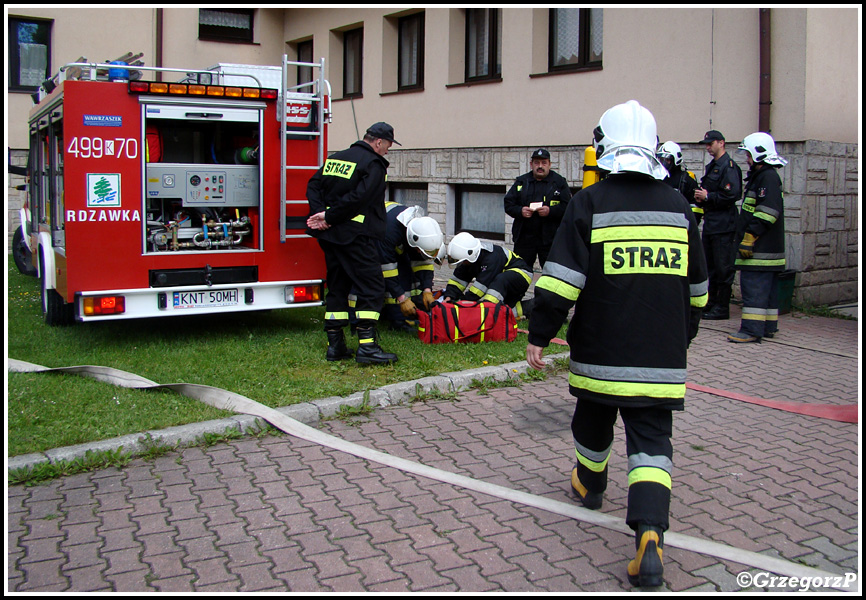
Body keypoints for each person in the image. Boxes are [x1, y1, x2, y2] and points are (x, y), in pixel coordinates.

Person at [525, 100, 708, 588]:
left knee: (593, 416)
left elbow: (562, 281)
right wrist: (682, 336)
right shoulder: (679, 206)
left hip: (601, 352)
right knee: (651, 442)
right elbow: (700, 290)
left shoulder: (589, 201)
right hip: (662, 356)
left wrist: (539, 333)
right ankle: (649, 535)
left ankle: (590, 483)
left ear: (603, 147)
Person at [306, 122, 400, 365]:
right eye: (388, 145)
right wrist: (329, 216)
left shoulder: (336, 158)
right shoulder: (374, 164)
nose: (388, 151)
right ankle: (368, 348)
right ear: (378, 142)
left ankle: (335, 346)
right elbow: (361, 198)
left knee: (338, 286)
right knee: (372, 287)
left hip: (331, 236)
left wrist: (322, 214)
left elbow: (313, 185)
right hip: (357, 236)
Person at [728, 132, 788, 343]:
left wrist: (750, 236)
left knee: (753, 288)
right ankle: (767, 326)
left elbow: (768, 212)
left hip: (759, 250)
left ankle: (751, 330)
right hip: (768, 250)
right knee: (768, 293)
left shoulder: (766, 178)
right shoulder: (766, 176)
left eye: (748, 154)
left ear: (758, 153)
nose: (747, 159)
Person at [693, 130, 742, 320]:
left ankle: (722, 307)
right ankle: (712, 303)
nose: (707, 147)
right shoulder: (712, 166)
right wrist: (701, 197)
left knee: (723, 267)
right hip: (712, 223)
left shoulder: (728, 167)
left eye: (710, 143)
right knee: (711, 266)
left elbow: (732, 194)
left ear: (721, 143)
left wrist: (709, 196)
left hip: (724, 225)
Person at [378, 203, 444, 332]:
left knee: (405, 272)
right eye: (419, 250)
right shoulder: (389, 232)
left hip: (390, 236)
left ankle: (397, 317)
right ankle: (392, 320)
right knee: (386, 275)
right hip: (367, 238)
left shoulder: (418, 229)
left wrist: (427, 290)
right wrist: (402, 299)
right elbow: (387, 271)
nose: (419, 252)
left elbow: (422, 263)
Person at [503, 148, 572, 271]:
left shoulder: (559, 182)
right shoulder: (522, 182)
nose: (540, 166)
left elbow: (568, 206)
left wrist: (550, 211)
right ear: (531, 164)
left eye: (544, 163)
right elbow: (508, 204)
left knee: (552, 273)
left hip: (550, 240)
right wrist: (520, 211)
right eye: (536, 163)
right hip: (525, 239)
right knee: (519, 272)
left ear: (549, 164)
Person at [443, 232, 533, 318]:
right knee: (504, 310)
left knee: (494, 292)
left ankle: (487, 312)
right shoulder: (469, 259)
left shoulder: (491, 258)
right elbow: (458, 280)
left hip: (522, 274)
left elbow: (480, 288)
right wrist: (449, 296)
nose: (463, 264)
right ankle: (529, 307)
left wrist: (462, 303)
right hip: (503, 280)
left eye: (463, 261)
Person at [657, 141, 701, 225]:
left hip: (679, 227)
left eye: (667, 160)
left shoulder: (686, 180)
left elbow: (696, 209)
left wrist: (689, 226)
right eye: (661, 159)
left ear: (676, 160)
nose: (663, 163)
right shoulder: (657, 178)